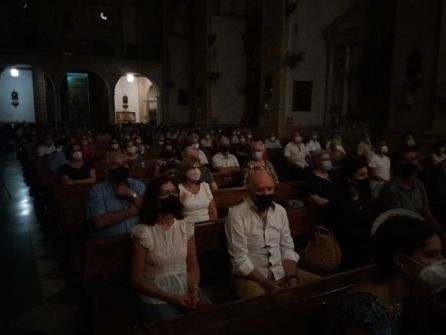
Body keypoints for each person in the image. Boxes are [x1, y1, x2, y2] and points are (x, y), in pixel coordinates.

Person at [329, 214, 445, 335]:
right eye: (431, 255)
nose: (440, 262)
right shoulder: (363, 308)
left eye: (441, 254)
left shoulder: (408, 293)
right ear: (400, 260)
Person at [225, 170, 320, 299]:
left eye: (270, 189)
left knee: (322, 287)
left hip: (282, 271)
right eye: (260, 190)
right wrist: (271, 287)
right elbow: (240, 261)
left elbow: (287, 247)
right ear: (250, 191)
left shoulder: (280, 211)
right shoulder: (237, 215)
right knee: (263, 306)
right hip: (251, 277)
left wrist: (292, 278)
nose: (266, 194)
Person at [131, 175, 209, 321]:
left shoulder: (185, 226)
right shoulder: (143, 232)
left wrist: (194, 290)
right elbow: (137, 279)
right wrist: (169, 297)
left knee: (209, 319)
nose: (171, 196)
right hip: (157, 296)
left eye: (174, 192)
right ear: (155, 200)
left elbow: (192, 265)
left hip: (186, 289)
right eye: (165, 193)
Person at [379, 146, 441, 232]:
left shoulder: (419, 185)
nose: (410, 163)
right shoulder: (391, 188)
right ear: (398, 163)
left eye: (413, 159)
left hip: (419, 229)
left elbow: (427, 213)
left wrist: (440, 233)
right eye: (405, 160)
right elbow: (398, 221)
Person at [330, 156, 375, 267]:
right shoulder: (339, 200)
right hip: (350, 247)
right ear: (349, 178)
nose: (366, 178)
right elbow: (346, 231)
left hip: (367, 240)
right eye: (361, 175)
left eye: (367, 174)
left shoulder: (365, 195)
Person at [86, 153, 145, 237]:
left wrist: (132, 194)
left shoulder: (138, 186)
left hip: (138, 239)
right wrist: (131, 211)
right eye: (115, 164)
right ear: (107, 169)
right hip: (109, 243)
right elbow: (100, 221)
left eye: (124, 164)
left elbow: (151, 210)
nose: (121, 167)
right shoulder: (97, 190)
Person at [178, 157, 217, 223]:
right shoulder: (178, 189)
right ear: (185, 170)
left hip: (207, 225)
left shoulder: (205, 186)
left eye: (198, 168)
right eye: (193, 168)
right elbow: (178, 215)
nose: (196, 171)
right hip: (188, 226)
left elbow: (213, 211)